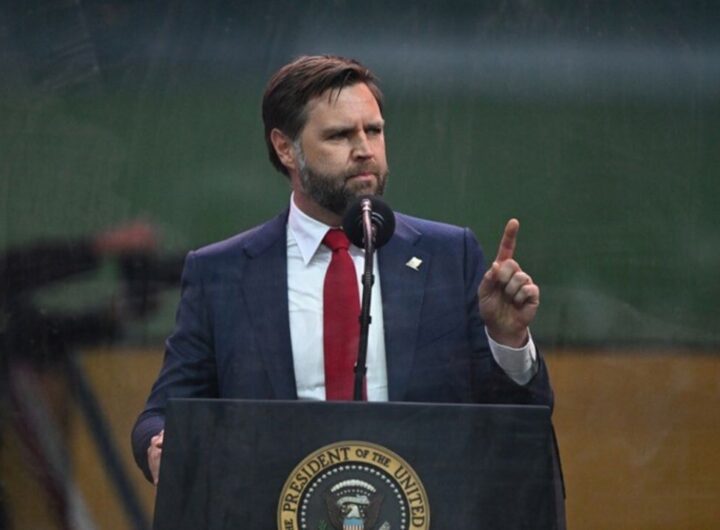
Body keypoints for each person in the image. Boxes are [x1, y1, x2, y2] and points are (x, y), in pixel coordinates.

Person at [132, 56, 556, 493]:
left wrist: (508, 341)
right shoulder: (222, 273)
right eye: (339, 135)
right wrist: (160, 445)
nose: (365, 150)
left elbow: (516, 422)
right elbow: (162, 412)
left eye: (374, 130)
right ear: (285, 148)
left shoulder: (449, 256)